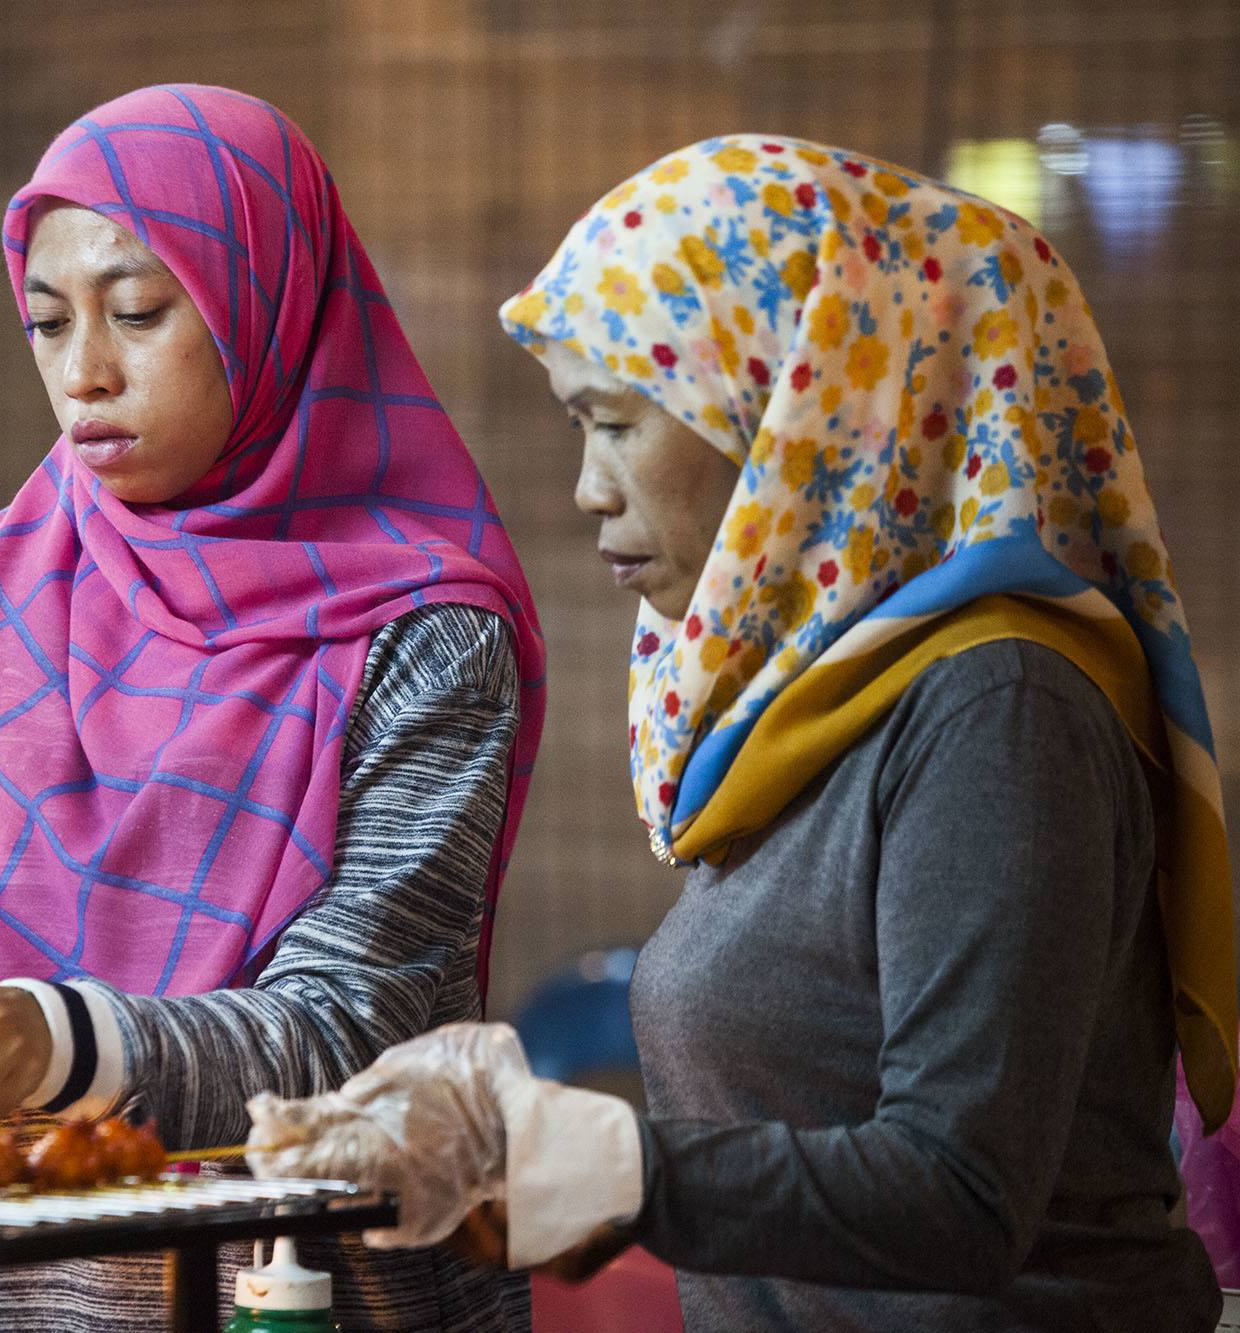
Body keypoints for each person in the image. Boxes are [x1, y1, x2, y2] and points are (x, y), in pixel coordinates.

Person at [247, 133, 1238, 1331]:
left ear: (796, 409)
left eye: (615, 421)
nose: (585, 488)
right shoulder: (809, 712)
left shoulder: (995, 705)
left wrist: (584, 1160)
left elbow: (963, 1190)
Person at [0, 84, 545, 1332]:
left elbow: (355, 1031)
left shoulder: (419, 630)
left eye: (138, 311)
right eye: (43, 322)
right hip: (43, 1299)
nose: (83, 372)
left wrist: (58, 1038)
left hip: (335, 1295)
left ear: (270, 303)